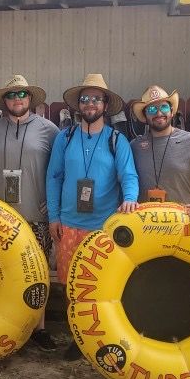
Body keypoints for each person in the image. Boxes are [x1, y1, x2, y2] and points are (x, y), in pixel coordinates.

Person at [45, 74, 139, 359]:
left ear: (105, 104)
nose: (90, 104)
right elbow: (54, 177)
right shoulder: (66, 137)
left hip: (102, 227)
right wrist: (54, 217)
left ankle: (99, 337)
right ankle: (78, 337)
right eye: (85, 99)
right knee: (70, 285)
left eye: (96, 98)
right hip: (69, 225)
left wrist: (131, 200)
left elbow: (129, 176)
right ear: (78, 105)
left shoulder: (116, 140)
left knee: (99, 285)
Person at [0, 75, 60, 352]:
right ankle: (6, 326)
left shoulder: (49, 130)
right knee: (1, 270)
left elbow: (59, 172)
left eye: (22, 94)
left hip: (36, 213)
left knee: (36, 272)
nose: (18, 99)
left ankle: (37, 329)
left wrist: (53, 204)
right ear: (5, 101)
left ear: (30, 99)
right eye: (12, 95)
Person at [129, 84, 190, 217]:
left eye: (163, 107)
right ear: (145, 115)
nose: (158, 113)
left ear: (172, 110)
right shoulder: (135, 146)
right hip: (146, 227)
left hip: (184, 224)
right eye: (151, 109)